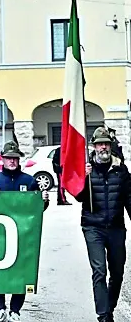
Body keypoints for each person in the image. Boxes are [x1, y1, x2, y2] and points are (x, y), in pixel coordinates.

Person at [0, 141, 49, 322]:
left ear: (19, 160)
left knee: (21, 272)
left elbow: (39, 209)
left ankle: (15, 310)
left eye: (14, 158)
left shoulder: (29, 181)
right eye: (8, 158)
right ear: (2, 159)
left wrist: (43, 200)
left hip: (23, 235)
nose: (11, 161)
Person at [77, 127, 131, 322]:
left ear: (111, 146)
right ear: (94, 146)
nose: (103, 147)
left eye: (106, 144)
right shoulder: (87, 168)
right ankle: (103, 315)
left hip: (116, 228)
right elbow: (78, 197)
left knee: (117, 272)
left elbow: (129, 197)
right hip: (93, 227)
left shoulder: (121, 169)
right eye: (100, 144)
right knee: (99, 270)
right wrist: (83, 178)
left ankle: (109, 308)